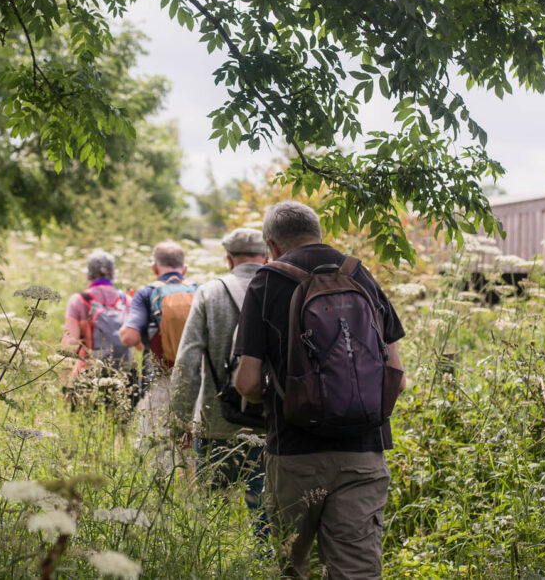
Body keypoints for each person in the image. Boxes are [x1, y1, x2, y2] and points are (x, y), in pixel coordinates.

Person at [233, 201, 407, 579]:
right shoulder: (360, 275)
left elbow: (247, 383)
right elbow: (397, 374)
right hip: (363, 451)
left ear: (272, 246)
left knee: (294, 566)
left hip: (295, 453)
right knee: (356, 570)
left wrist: (285, 395)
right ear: (319, 233)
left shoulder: (267, 281)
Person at [169, 228, 270, 538]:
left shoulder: (210, 293)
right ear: (267, 256)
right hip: (269, 423)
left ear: (229, 260)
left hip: (216, 421)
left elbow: (187, 362)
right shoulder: (281, 291)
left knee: (212, 515)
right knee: (264, 515)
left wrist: (180, 420)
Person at [119, 241, 198, 444]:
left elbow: (130, 338)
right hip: (197, 379)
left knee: (156, 442)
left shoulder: (146, 294)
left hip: (159, 378)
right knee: (191, 443)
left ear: (154, 268)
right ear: (185, 268)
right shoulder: (200, 290)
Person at [61, 250, 134, 406]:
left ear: (89, 273)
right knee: (120, 426)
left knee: (84, 426)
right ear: (113, 273)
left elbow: (69, 344)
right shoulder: (126, 300)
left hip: (88, 375)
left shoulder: (79, 300)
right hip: (123, 377)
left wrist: (66, 384)